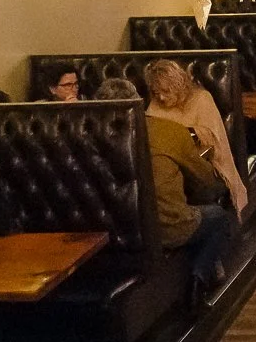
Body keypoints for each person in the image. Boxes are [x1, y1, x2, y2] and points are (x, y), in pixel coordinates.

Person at [94, 79, 235, 298]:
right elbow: (205, 179)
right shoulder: (167, 131)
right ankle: (198, 280)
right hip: (165, 228)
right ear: (139, 102)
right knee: (218, 217)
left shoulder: (86, 137)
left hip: (105, 235)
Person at [143, 58, 248, 215]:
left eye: (166, 91)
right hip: (170, 167)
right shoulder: (156, 104)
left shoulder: (202, 99)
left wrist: (187, 134)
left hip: (205, 166)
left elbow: (212, 138)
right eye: (157, 93)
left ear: (178, 86)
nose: (162, 98)